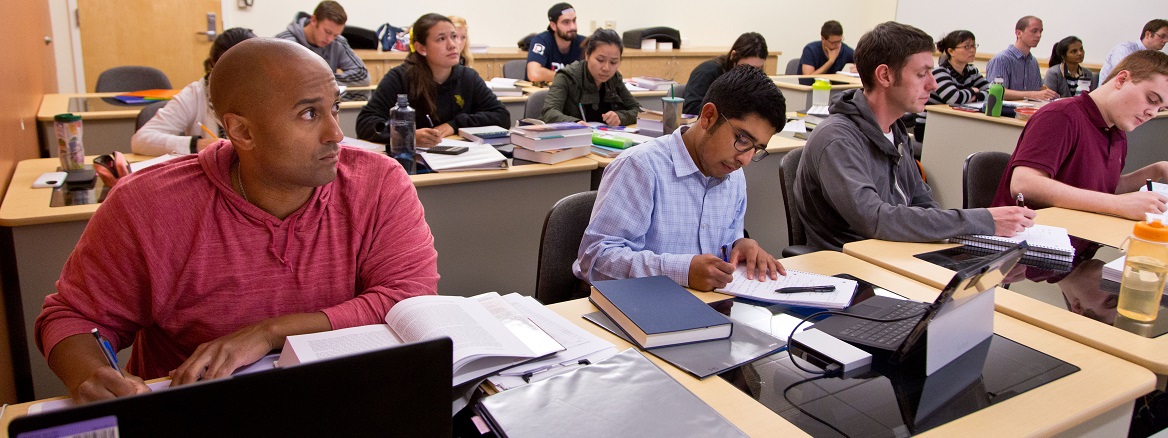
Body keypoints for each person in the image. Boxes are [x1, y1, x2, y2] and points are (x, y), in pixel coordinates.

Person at [35, 38, 439, 404]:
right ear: (242, 132)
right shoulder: (148, 204)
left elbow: (409, 297)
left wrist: (271, 333)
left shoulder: (379, 182)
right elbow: (74, 317)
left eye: (334, 107)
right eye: (309, 113)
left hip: (344, 396)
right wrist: (92, 374)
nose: (336, 133)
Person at [794, 21, 1035, 252]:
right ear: (885, 76)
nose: (933, 85)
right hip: (853, 267)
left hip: (898, 254)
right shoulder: (837, 138)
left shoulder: (896, 131)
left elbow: (923, 203)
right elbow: (873, 219)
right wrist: (981, 220)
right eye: (922, 74)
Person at [573, 65, 788, 291]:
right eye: (742, 139)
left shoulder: (733, 176)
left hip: (709, 308)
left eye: (757, 148)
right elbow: (596, 260)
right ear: (708, 116)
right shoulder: (641, 167)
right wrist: (681, 271)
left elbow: (724, 246)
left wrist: (739, 245)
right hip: (638, 309)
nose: (745, 159)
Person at [991, 50, 1168, 220]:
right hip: (1025, 242)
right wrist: (1118, 204)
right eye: (1151, 100)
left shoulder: (1116, 132)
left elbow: (1104, 189)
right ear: (1122, 80)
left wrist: (1157, 170)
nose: (1152, 113)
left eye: (1160, 109)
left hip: (1077, 244)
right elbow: (1024, 184)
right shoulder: (1062, 115)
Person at [356, 14, 509, 148]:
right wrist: (406, 135)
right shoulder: (400, 77)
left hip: (458, 159)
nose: (452, 45)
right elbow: (365, 123)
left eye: (454, 36)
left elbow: (501, 116)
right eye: (441, 39)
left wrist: (455, 124)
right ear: (421, 48)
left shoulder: (468, 77)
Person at [130, 28, 256, 156]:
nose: (237, 80)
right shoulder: (196, 94)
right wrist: (197, 145)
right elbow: (141, 140)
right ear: (214, 66)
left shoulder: (269, 92)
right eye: (229, 72)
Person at [541, 29, 639, 126]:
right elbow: (549, 112)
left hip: (605, 138)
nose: (606, 68)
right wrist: (575, 123)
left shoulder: (614, 79)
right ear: (587, 55)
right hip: (569, 138)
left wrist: (620, 117)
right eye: (600, 60)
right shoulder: (567, 76)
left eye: (613, 62)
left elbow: (639, 111)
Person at [275, 1, 370, 100]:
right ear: (313, 20)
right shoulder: (284, 43)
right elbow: (281, 82)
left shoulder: (337, 42)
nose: (330, 39)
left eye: (335, 35)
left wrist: (323, 81)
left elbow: (362, 75)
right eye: (327, 32)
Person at [913, 30, 989, 141]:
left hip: (954, 123)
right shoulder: (939, 72)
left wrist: (975, 96)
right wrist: (972, 91)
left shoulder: (972, 71)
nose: (972, 50)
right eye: (967, 46)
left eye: (974, 46)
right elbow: (953, 98)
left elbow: (992, 93)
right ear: (951, 51)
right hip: (929, 125)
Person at [682, 32, 768, 116]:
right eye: (746, 67)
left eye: (758, 68)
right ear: (733, 56)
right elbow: (691, 109)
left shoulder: (756, 77)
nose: (751, 73)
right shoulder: (708, 71)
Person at [985, 16, 1059, 101]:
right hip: (1005, 112)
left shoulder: (1033, 61)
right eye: (1034, 31)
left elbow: (1039, 88)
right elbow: (996, 92)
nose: (1039, 35)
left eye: (1040, 31)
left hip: (1029, 110)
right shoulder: (1001, 59)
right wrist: (1032, 95)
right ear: (1018, 33)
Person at [526, 2, 585, 82]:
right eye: (566, 22)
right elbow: (534, 74)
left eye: (574, 21)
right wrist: (570, 78)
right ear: (553, 26)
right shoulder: (541, 41)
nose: (573, 27)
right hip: (544, 93)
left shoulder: (583, 43)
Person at [1099, 19, 1168, 84]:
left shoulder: (1156, 58)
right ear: (1148, 34)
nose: (1165, 41)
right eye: (1162, 36)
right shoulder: (1125, 49)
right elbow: (1124, 76)